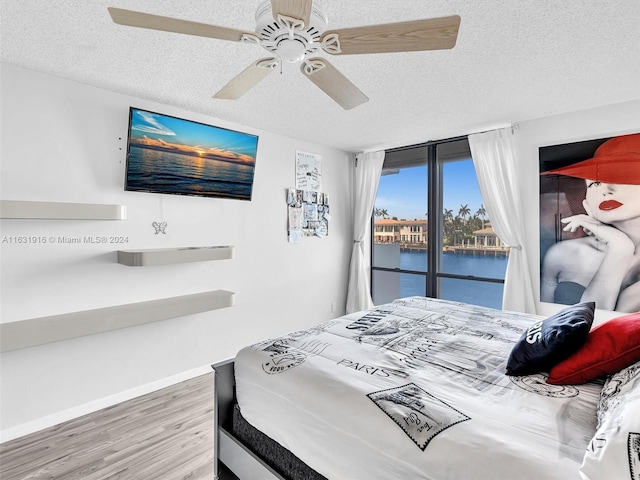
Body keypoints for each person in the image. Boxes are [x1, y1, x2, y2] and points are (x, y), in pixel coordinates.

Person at [540, 133, 640, 313]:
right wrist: (620, 248)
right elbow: (541, 322)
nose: (605, 190)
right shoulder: (563, 254)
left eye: (623, 176)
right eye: (594, 184)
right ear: (586, 204)